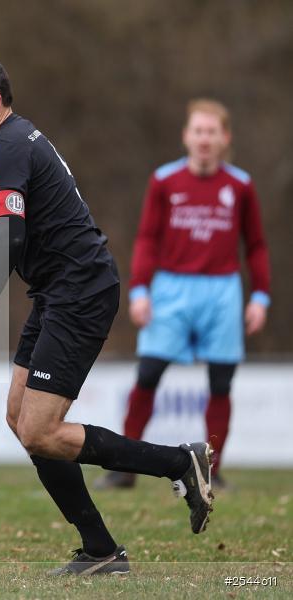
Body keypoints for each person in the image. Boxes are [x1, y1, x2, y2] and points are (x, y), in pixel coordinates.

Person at [0, 49, 214, 576]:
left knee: (40, 430)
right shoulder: (6, 143)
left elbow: (10, 238)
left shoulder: (8, 148)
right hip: (57, 290)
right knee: (20, 420)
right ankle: (101, 550)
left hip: (79, 290)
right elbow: (1, 232)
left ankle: (179, 462)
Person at [95, 99, 270, 492]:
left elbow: (256, 245)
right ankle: (125, 468)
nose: (204, 139)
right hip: (171, 290)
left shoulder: (240, 185)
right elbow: (147, 239)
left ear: (224, 138)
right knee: (148, 374)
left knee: (221, 384)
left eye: (212, 131)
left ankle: (212, 470)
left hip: (222, 291)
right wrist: (140, 289)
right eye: (198, 131)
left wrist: (260, 297)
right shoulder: (164, 181)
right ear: (186, 136)